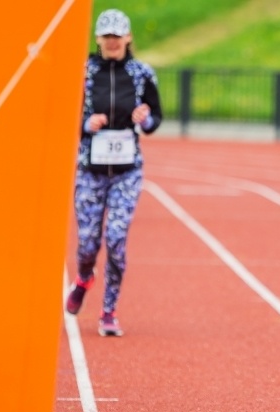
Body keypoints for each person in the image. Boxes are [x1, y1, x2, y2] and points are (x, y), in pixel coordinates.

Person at [65, 8, 162, 336]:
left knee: (117, 240)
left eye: (117, 37)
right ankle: (83, 278)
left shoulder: (141, 73)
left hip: (127, 172)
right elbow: (66, 119)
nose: (112, 42)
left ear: (128, 38)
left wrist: (143, 118)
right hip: (90, 170)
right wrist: (85, 124)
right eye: (106, 37)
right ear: (98, 39)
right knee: (88, 243)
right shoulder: (84, 72)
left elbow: (154, 121)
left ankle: (109, 309)